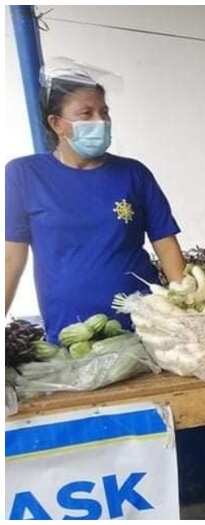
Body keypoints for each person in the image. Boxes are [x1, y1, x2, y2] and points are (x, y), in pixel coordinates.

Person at [5, 66, 186, 339]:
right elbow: (10, 260)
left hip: (145, 328)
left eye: (104, 112)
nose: (100, 121)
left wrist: (190, 311)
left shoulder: (133, 173)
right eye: (86, 114)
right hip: (71, 333)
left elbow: (167, 246)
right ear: (56, 123)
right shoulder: (25, 175)